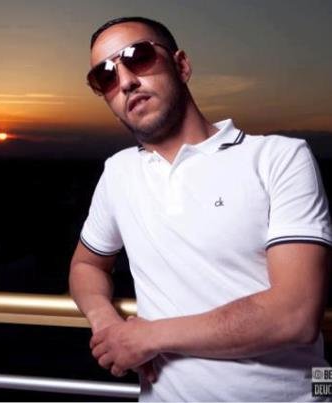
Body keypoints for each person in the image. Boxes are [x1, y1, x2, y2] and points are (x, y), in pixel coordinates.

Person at [69, 16, 332, 402]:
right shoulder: (118, 173)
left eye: (138, 57)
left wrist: (148, 337)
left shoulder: (280, 158)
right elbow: (86, 265)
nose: (125, 81)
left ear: (181, 65)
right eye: (105, 76)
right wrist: (107, 323)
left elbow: (295, 316)